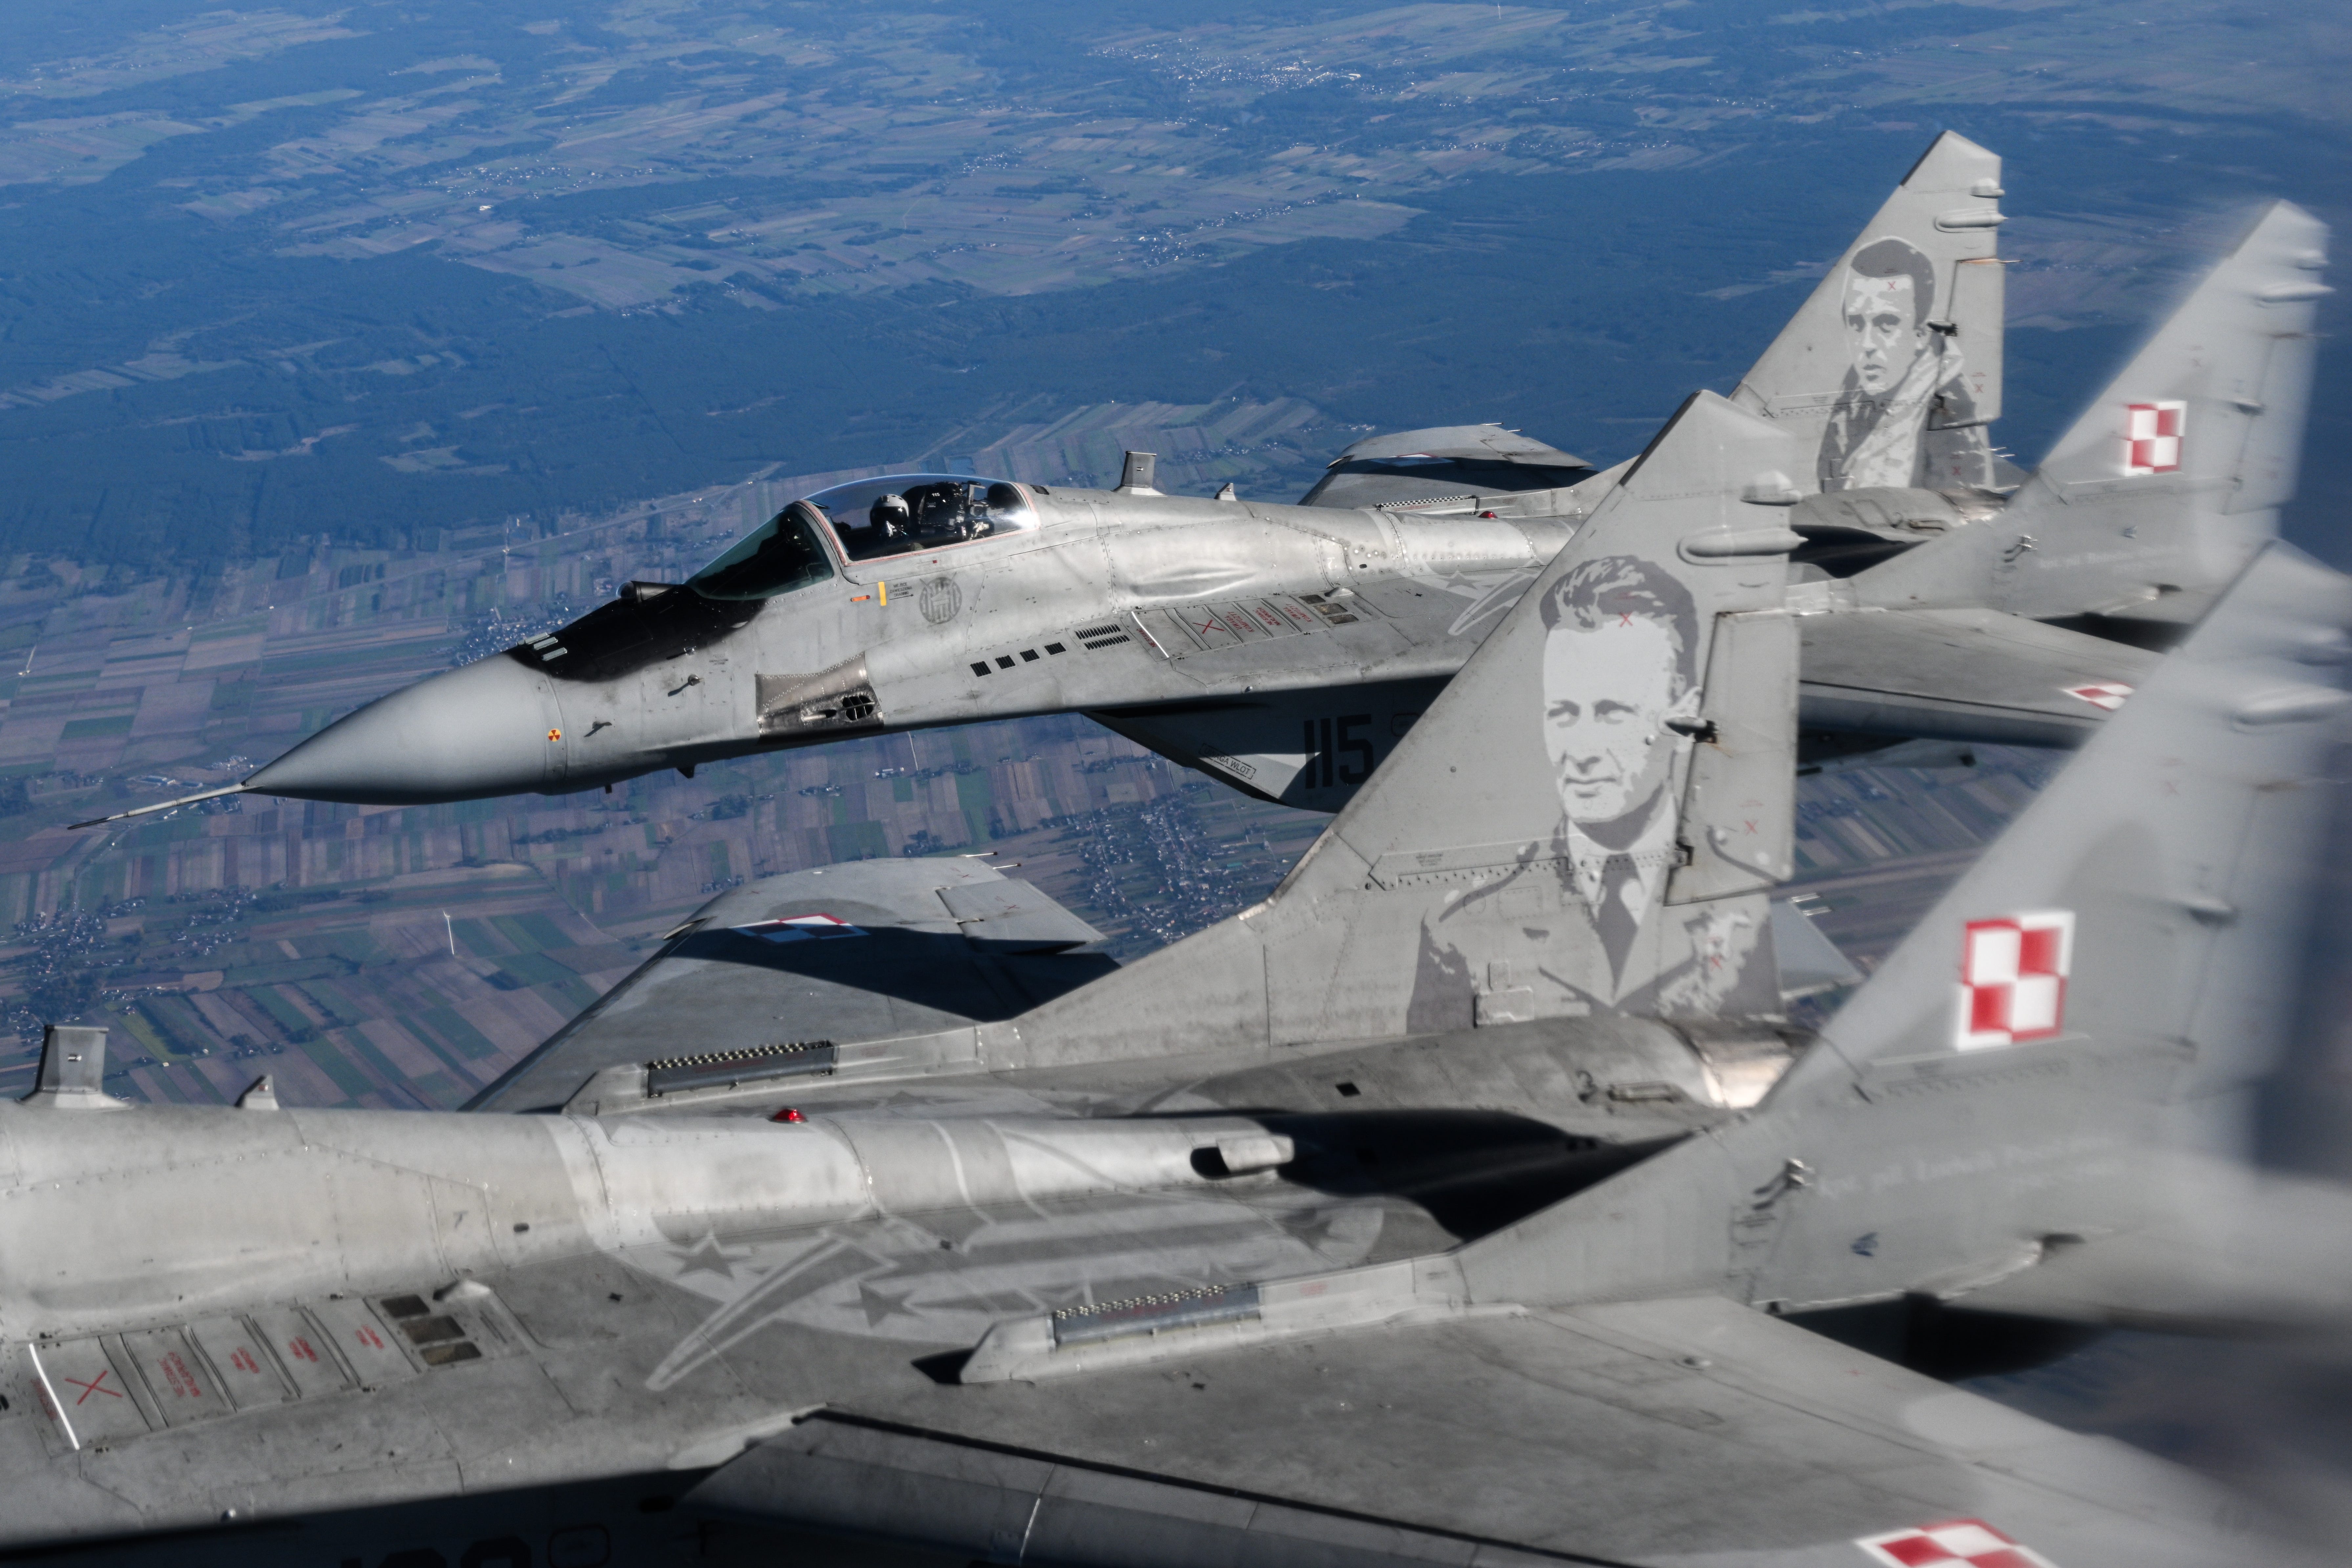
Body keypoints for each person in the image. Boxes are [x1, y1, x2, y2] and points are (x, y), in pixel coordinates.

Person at [1403, 554, 1769, 1030]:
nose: (1580, 751)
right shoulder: (1455, 926)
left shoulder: (1741, 905)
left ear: (1682, 708)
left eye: (1612, 711)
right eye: (1561, 713)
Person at [1815, 237, 1994, 493]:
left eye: (1885, 324)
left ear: (1921, 333)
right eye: (1856, 324)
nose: (1866, 344)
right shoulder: (1852, 394)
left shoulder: (1953, 422)